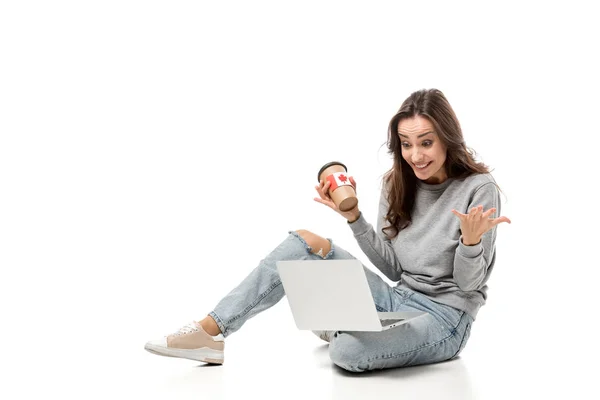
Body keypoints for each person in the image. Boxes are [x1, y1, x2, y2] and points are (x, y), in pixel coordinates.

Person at [144, 88, 511, 372]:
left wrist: (471, 240)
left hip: (446, 318)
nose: (415, 155)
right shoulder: (397, 182)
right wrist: (353, 218)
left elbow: (467, 286)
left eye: (426, 142)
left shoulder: (479, 189)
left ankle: (342, 325)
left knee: (347, 351)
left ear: (448, 138)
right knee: (304, 241)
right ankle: (209, 331)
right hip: (398, 298)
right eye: (406, 144)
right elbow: (395, 270)